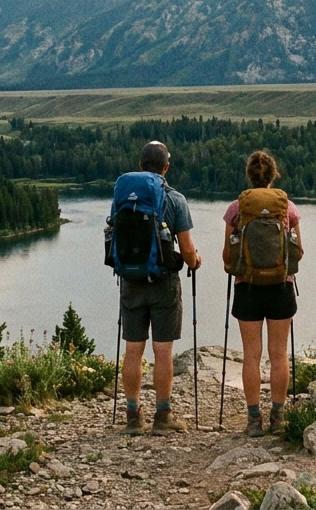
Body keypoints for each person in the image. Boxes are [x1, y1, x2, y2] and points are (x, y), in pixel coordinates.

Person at [115, 141, 202, 435]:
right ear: (166, 167)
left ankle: (132, 415)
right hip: (164, 282)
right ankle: (163, 416)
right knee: (162, 352)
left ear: (141, 165)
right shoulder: (174, 199)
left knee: (132, 350)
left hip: (130, 281)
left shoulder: (123, 196)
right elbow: (187, 250)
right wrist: (195, 261)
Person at [221, 150, 301, 437]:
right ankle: (277, 417)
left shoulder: (236, 208)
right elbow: (298, 252)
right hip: (281, 286)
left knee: (251, 356)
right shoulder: (287, 208)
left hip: (248, 288)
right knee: (278, 355)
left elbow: (227, 256)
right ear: (273, 176)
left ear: (249, 176)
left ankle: (254, 420)